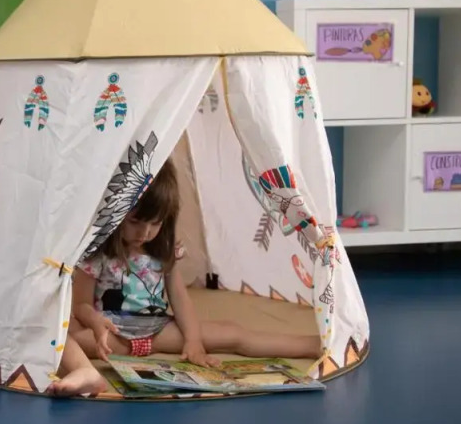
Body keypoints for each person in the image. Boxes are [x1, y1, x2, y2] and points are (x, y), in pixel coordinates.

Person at [47, 159, 321, 397]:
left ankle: (313, 345)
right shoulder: (97, 254)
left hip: (158, 332)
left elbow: (179, 298)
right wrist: (96, 323)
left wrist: (192, 340)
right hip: (109, 337)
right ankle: (86, 371)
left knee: (232, 333)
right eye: (135, 222)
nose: (145, 233)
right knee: (52, 336)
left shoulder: (164, 250)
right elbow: (80, 306)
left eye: (155, 223)